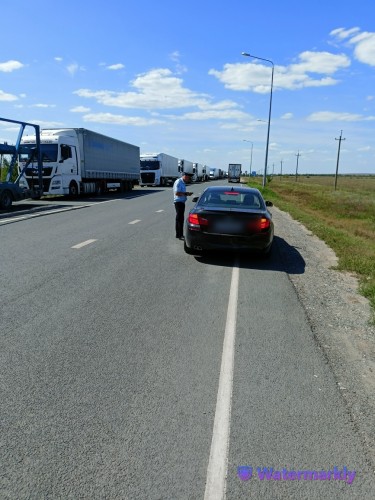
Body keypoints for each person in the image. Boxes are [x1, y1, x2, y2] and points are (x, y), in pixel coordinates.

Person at [173, 172, 194, 239]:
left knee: (180, 218)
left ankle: (179, 234)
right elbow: (177, 193)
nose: (189, 179)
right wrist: (186, 194)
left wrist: (186, 194)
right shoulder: (179, 182)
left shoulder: (182, 182)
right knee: (179, 219)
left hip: (181, 202)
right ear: (185, 176)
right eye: (188, 177)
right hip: (178, 202)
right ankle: (179, 235)